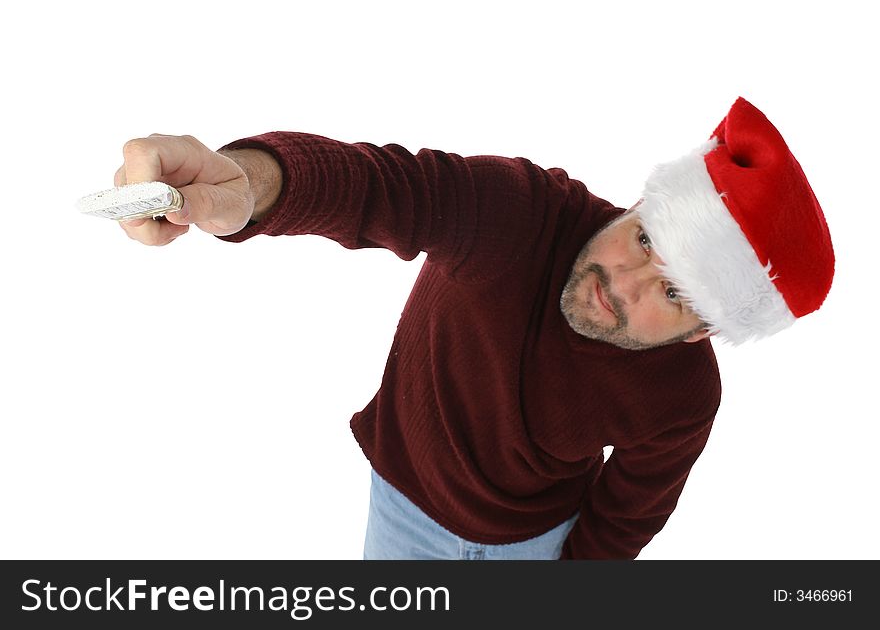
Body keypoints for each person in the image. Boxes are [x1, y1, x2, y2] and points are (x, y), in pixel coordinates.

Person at [111, 97, 834, 559]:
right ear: (641, 204)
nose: (624, 281)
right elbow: (380, 187)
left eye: (673, 290)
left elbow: (628, 513)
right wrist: (249, 184)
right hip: (405, 507)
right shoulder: (521, 213)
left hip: (536, 541)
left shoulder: (683, 395)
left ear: (699, 333)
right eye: (645, 239)